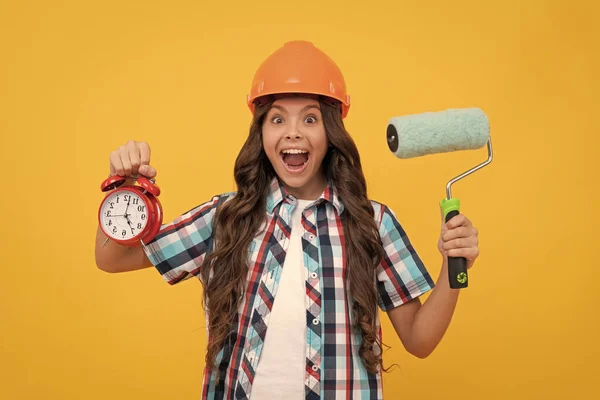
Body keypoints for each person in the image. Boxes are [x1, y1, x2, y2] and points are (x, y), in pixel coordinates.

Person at [95, 40, 480, 400]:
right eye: (277, 120)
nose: (292, 132)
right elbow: (111, 258)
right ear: (260, 133)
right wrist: (126, 191)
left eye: (310, 119)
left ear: (331, 132)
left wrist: (452, 266)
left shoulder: (372, 222)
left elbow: (419, 340)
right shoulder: (226, 218)